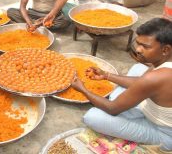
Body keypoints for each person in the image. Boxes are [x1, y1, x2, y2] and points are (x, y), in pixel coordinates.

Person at [70, 18, 172, 152]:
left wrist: (83, 89)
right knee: (137, 69)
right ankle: (123, 102)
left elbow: (112, 108)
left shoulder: (155, 78)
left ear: (165, 50)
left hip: (164, 134)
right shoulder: (163, 62)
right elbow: (141, 83)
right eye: (138, 44)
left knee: (92, 116)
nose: (138, 50)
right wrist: (106, 75)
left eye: (145, 46)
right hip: (155, 106)